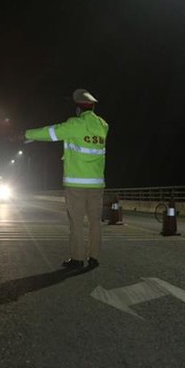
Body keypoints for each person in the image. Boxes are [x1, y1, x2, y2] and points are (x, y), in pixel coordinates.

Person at [21, 89, 109, 269]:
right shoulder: (103, 126)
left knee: (76, 223)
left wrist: (26, 134)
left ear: (78, 109)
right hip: (97, 184)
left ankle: (77, 259)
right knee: (95, 222)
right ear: (93, 107)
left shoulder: (74, 124)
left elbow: (50, 132)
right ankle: (94, 257)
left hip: (76, 183)